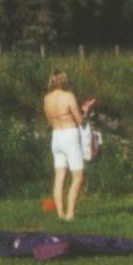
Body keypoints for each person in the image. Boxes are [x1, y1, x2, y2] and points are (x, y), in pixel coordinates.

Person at [42, 70, 95, 222]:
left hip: (56, 136)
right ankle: (70, 214)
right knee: (78, 177)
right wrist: (86, 111)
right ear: (64, 80)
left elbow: (50, 121)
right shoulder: (69, 96)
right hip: (70, 136)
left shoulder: (47, 98)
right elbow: (80, 121)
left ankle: (60, 214)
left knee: (59, 177)